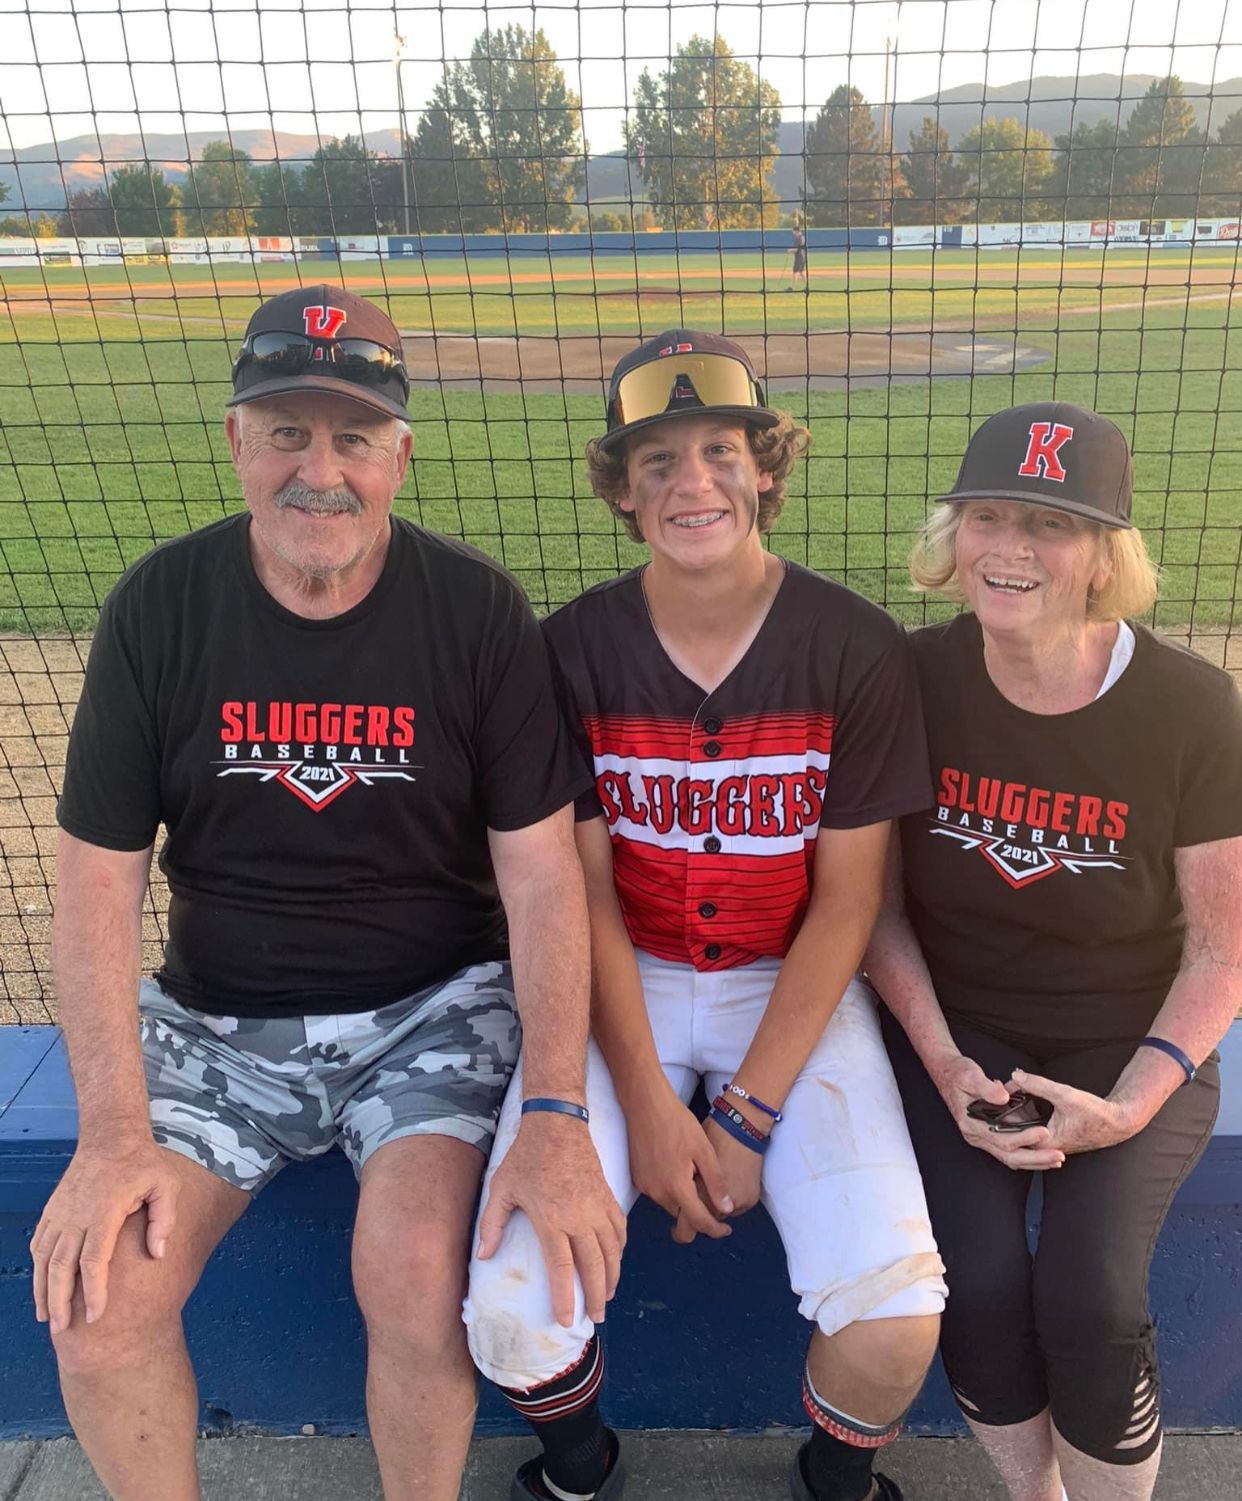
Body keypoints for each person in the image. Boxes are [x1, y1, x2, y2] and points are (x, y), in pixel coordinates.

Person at [31, 283, 623, 1501]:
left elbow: (545, 880)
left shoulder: (475, 612)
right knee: (97, 1300)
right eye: (288, 432)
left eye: (352, 436)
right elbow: (95, 889)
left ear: (398, 456)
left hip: (430, 1010)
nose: (321, 470)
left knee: (414, 1268)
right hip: (214, 1022)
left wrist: (557, 1113)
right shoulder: (160, 607)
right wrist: (109, 1134)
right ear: (237, 442)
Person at [465, 329, 948, 1501]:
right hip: (614, 973)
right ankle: (579, 1470)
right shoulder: (568, 649)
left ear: (767, 468)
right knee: (514, 1313)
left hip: (789, 984)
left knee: (894, 1320)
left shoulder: (856, 645)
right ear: (622, 492)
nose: (694, 482)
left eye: (722, 450)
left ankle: (837, 1485)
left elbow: (847, 907)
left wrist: (744, 1119)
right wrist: (643, 1099)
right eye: (658, 460)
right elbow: (583, 896)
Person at [865, 402, 1242, 1501]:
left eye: (1051, 524)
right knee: (974, 1285)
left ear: (1104, 554)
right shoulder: (913, 677)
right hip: (959, 1031)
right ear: (954, 534)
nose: (1012, 549)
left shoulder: (1190, 705)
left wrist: (1127, 1103)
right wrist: (942, 1063)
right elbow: (878, 914)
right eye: (988, 516)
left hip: (1129, 1037)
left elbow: (1222, 949)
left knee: (1089, 1296)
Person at [789, 223, 809, 291]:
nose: (793, 232)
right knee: (801, 272)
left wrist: (790, 251)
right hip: (801, 257)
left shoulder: (799, 238)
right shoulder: (802, 237)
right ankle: (807, 286)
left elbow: (796, 249)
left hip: (799, 257)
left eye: (793, 231)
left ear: (796, 230)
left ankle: (792, 287)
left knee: (795, 271)